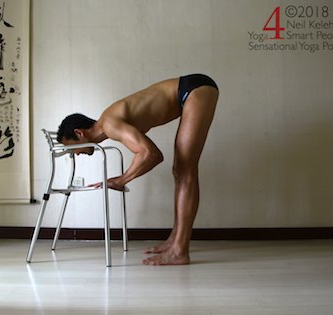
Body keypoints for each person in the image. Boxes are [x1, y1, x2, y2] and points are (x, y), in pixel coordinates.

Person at [57, 74, 219, 265]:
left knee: (185, 169)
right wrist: (123, 178)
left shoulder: (110, 125)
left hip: (193, 90)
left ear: (79, 133)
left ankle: (180, 250)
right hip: (191, 90)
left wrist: (121, 180)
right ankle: (175, 241)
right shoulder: (111, 122)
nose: (75, 154)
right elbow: (148, 152)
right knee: (180, 170)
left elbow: (151, 155)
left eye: (71, 148)